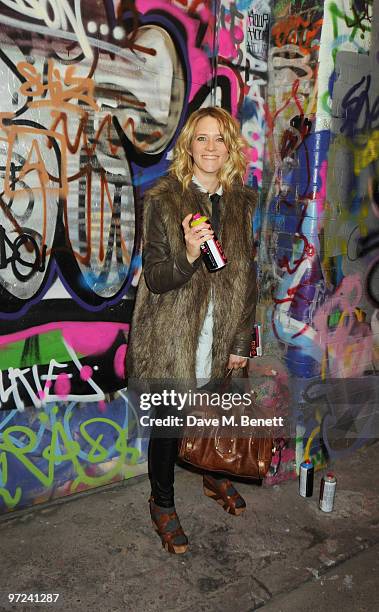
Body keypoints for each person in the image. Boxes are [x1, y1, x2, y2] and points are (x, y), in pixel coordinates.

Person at [126, 106, 257, 554]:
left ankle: (213, 474)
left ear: (230, 148)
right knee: (169, 425)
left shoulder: (240, 202)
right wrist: (185, 250)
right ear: (188, 145)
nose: (210, 147)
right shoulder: (164, 199)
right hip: (171, 336)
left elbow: (248, 276)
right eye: (201, 138)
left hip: (219, 332)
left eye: (219, 139)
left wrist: (241, 341)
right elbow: (158, 279)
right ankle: (161, 501)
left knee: (213, 415)